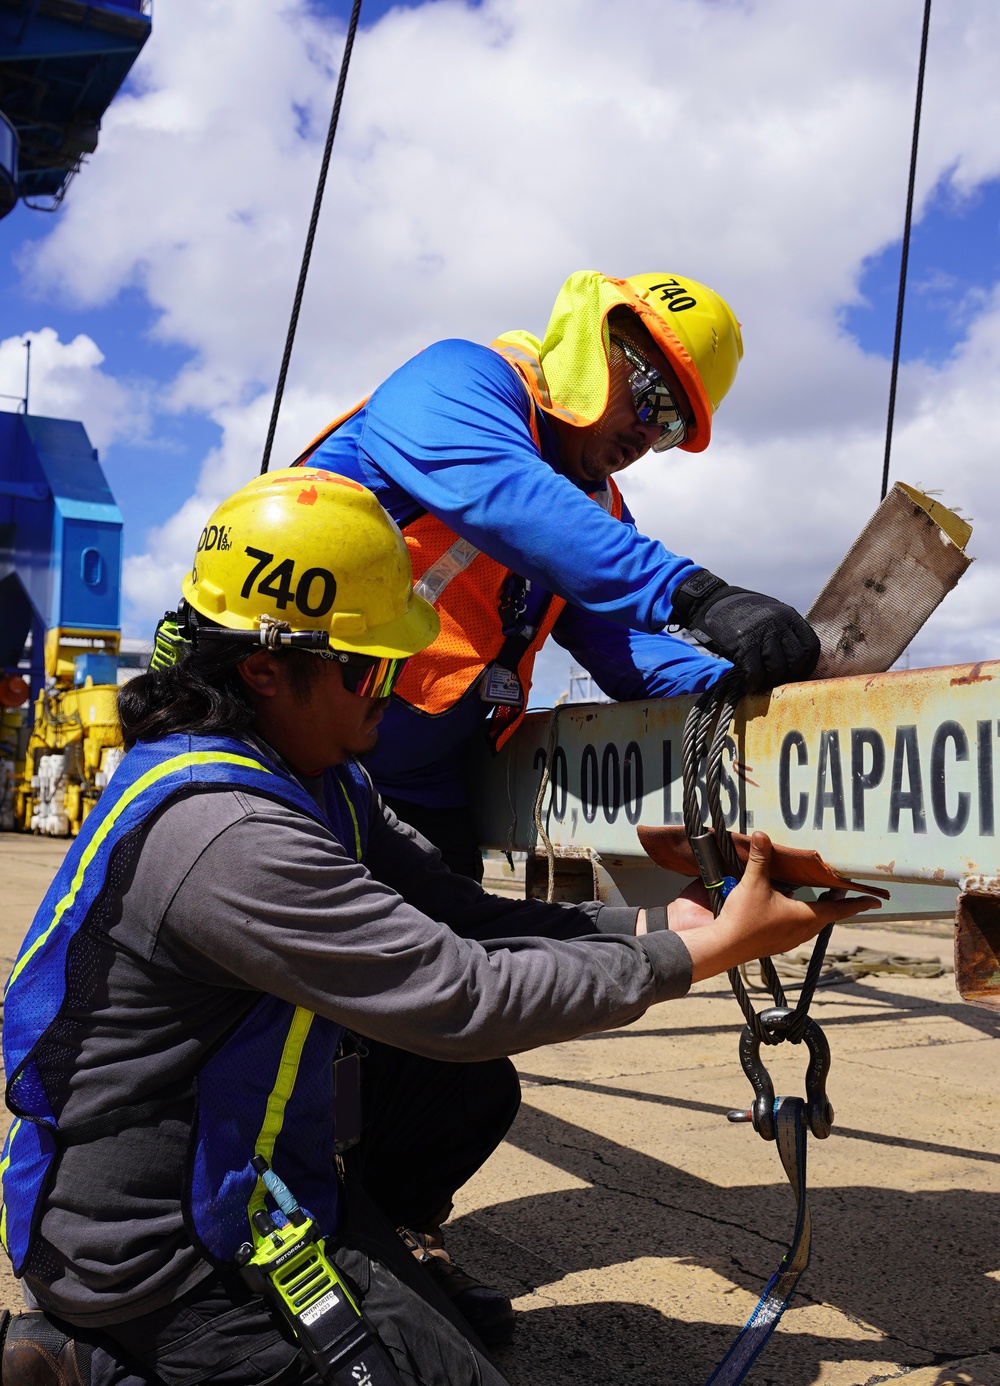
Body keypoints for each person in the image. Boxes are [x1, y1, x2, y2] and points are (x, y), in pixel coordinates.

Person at [0, 471, 873, 1386]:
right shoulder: (230, 834)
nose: (396, 687)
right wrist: (705, 951)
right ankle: (91, 1358)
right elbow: (463, 995)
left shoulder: (316, 778)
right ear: (263, 667)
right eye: (368, 664)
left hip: (252, 1181)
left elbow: (459, 912)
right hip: (159, 1251)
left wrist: (658, 917)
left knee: (461, 1123)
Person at [293, 270, 821, 879]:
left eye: (671, 427)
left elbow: (626, 643)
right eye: (653, 398)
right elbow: (504, 495)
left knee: (458, 957)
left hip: (416, 788)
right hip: (290, 746)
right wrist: (698, 596)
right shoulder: (455, 381)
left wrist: (755, 690)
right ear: (594, 346)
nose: (649, 435)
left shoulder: (595, 513)